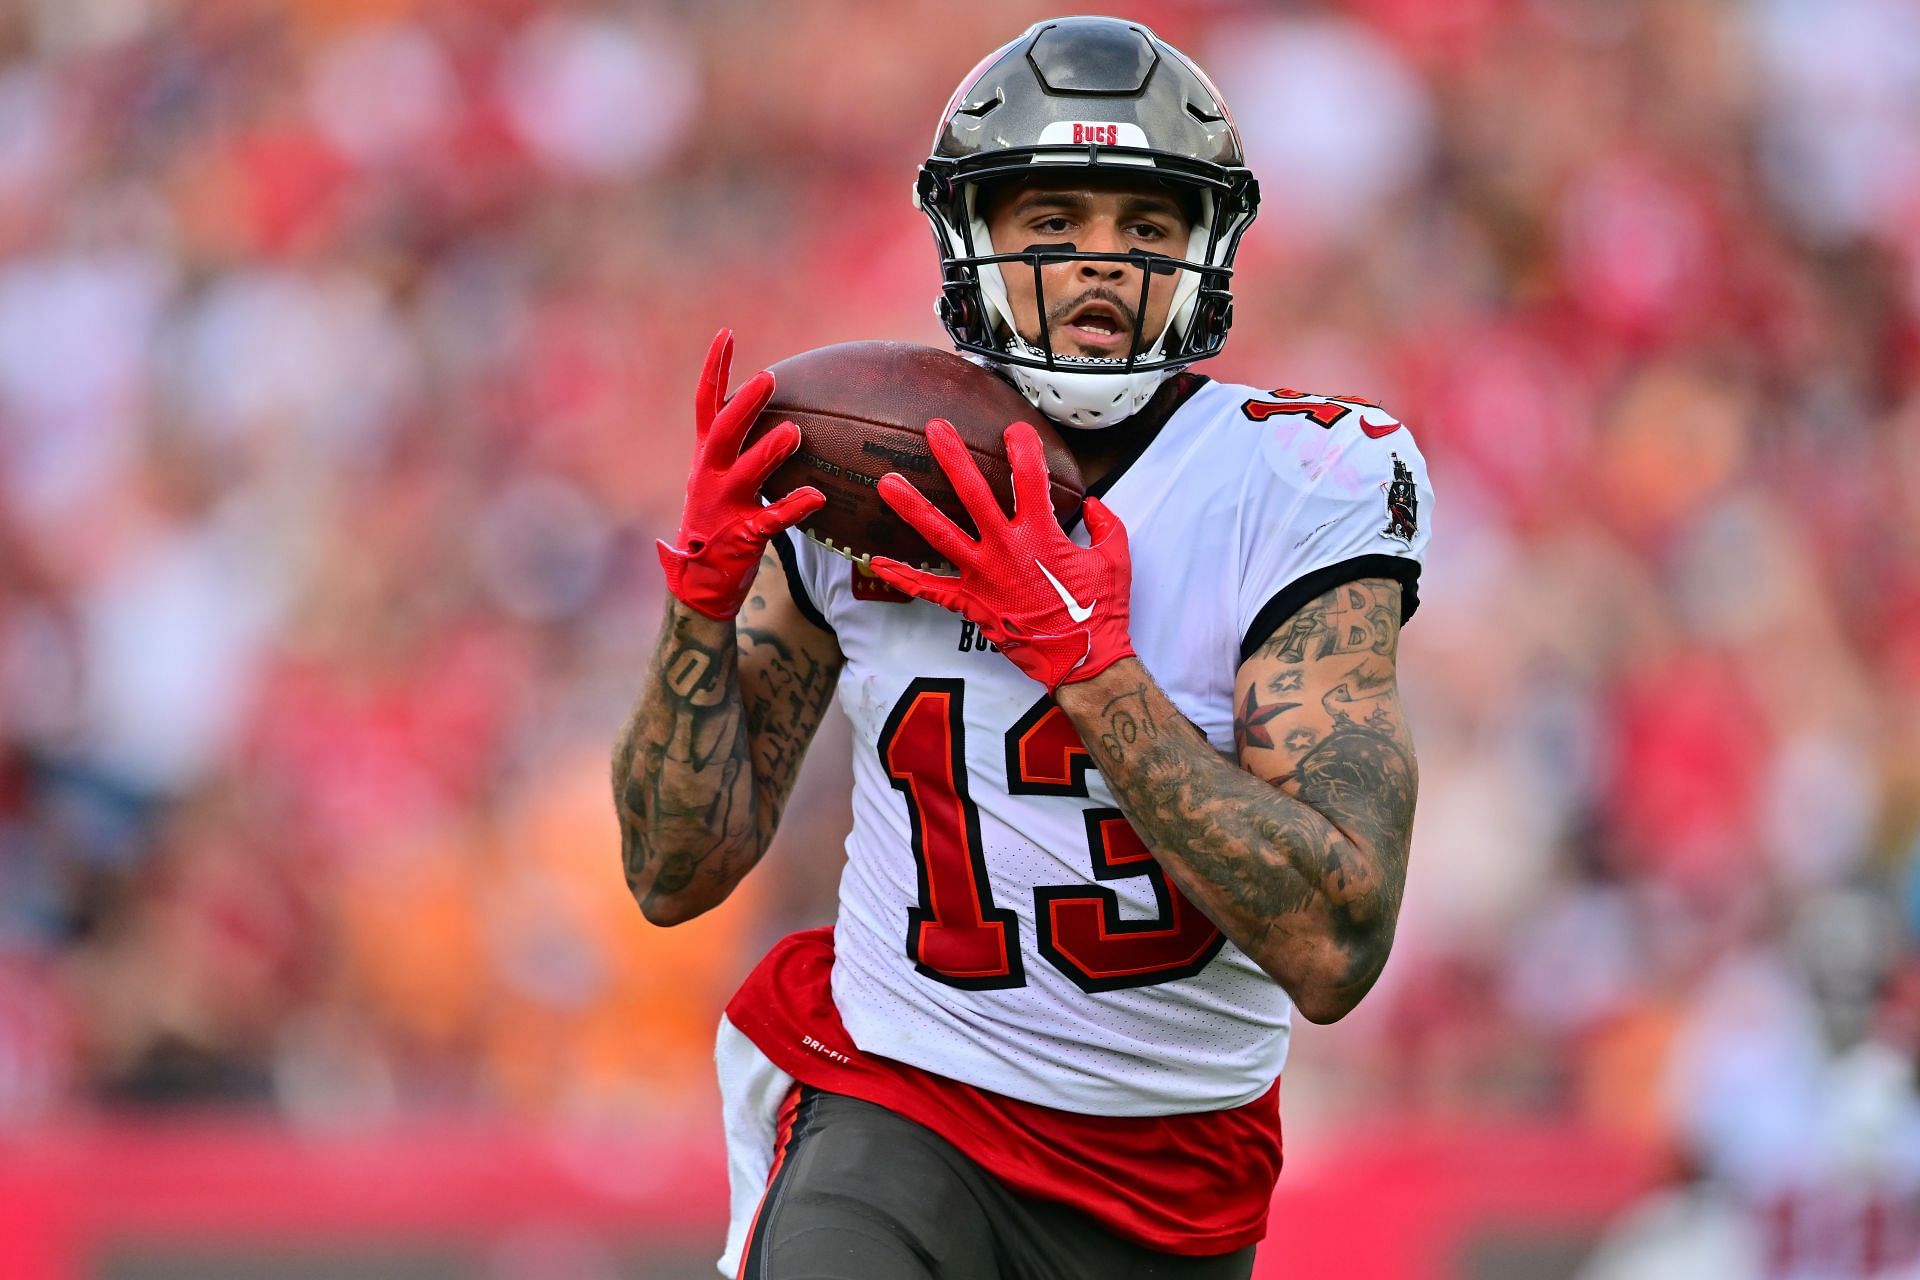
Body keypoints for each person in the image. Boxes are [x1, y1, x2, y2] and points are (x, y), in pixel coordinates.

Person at [614, 16, 1434, 1279]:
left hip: (1172, 1175)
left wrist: (1086, 661)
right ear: (972, 235)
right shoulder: (869, 468)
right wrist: (703, 598)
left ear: (1207, 250)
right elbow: (673, 871)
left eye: (1145, 228)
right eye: (1050, 222)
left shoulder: (1296, 476)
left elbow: (1335, 944)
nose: (1097, 264)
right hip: (903, 1099)